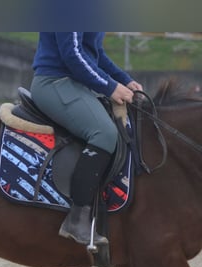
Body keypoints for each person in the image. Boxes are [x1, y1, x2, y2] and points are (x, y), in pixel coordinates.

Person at [31, 32, 143, 247]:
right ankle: (77, 218)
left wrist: (124, 80)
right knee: (105, 133)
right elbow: (72, 54)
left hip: (76, 83)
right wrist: (110, 87)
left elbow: (95, 54)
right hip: (55, 82)